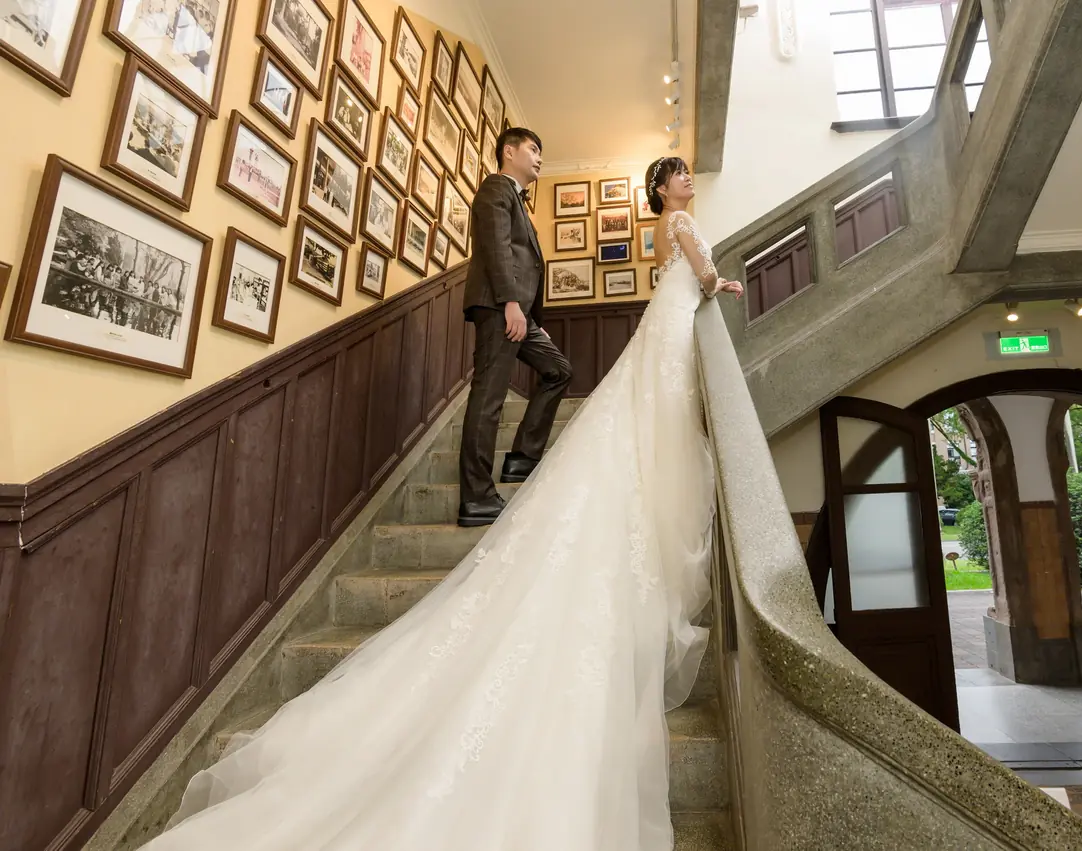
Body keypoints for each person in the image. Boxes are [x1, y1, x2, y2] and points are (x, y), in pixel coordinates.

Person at [138, 156, 743, 851]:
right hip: (601, 318)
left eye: (688, 174)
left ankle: (512, 469)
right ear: (663, 188)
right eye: (679, 174)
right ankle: (486, 486)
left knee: (591, 395)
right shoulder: (645, 218)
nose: (687, 181)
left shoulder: (650, 224)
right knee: (524, 399)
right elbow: (697, 273)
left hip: (646, 326)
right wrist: (713, 282)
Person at [456, 127, 572, 528]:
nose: (540, 158)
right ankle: (476, 498)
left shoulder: (519, 201)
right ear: (509, 152)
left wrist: (531, 319)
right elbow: (496, 247)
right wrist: (509, 303)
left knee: (558, 370)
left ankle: (522, 457)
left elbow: (526, 261)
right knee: (488, 398)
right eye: (533, 149)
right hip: (498, 306)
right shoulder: (495, 187)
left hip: (517, 311)